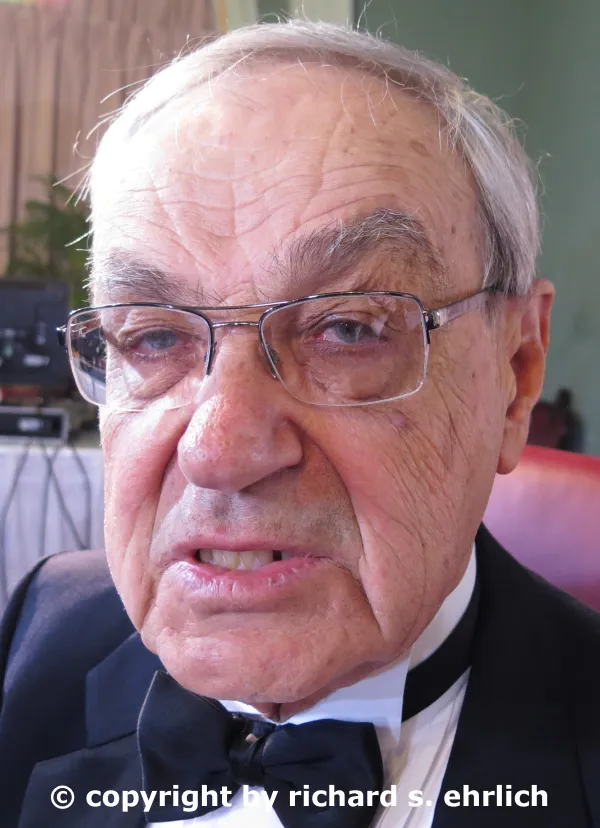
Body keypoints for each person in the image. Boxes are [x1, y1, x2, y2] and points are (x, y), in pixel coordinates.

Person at [2, 20, 600, 828]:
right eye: (152, 337)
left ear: (515, 371)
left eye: (348, 328)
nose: (219, 450)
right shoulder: (37, 635)